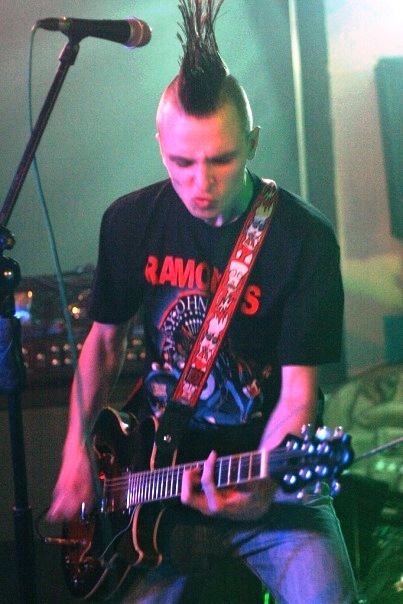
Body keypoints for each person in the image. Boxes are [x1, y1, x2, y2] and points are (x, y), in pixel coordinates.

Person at [49, 1, 360, 602]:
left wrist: (265, 486)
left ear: (254, 142)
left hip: (269, 471)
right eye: (181, 161)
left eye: (222, 159)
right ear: (159, 143)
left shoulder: (303, 239)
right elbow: (103, 345)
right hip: (154, 480)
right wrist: (75, 452)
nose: (200, 182)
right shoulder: (130, 221)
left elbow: (298, 394)